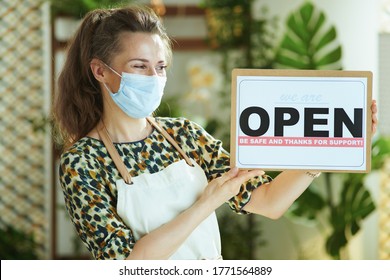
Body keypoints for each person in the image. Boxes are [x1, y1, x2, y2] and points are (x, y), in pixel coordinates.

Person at [52, 5, 378, 260]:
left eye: (160, 66)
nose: (153, 77)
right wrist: (206, 204)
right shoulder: (82, 163)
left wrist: (330, 146)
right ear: (100, 71)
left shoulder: (185, 136)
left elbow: (269, 202)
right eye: (140, 66)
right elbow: (127, 262)